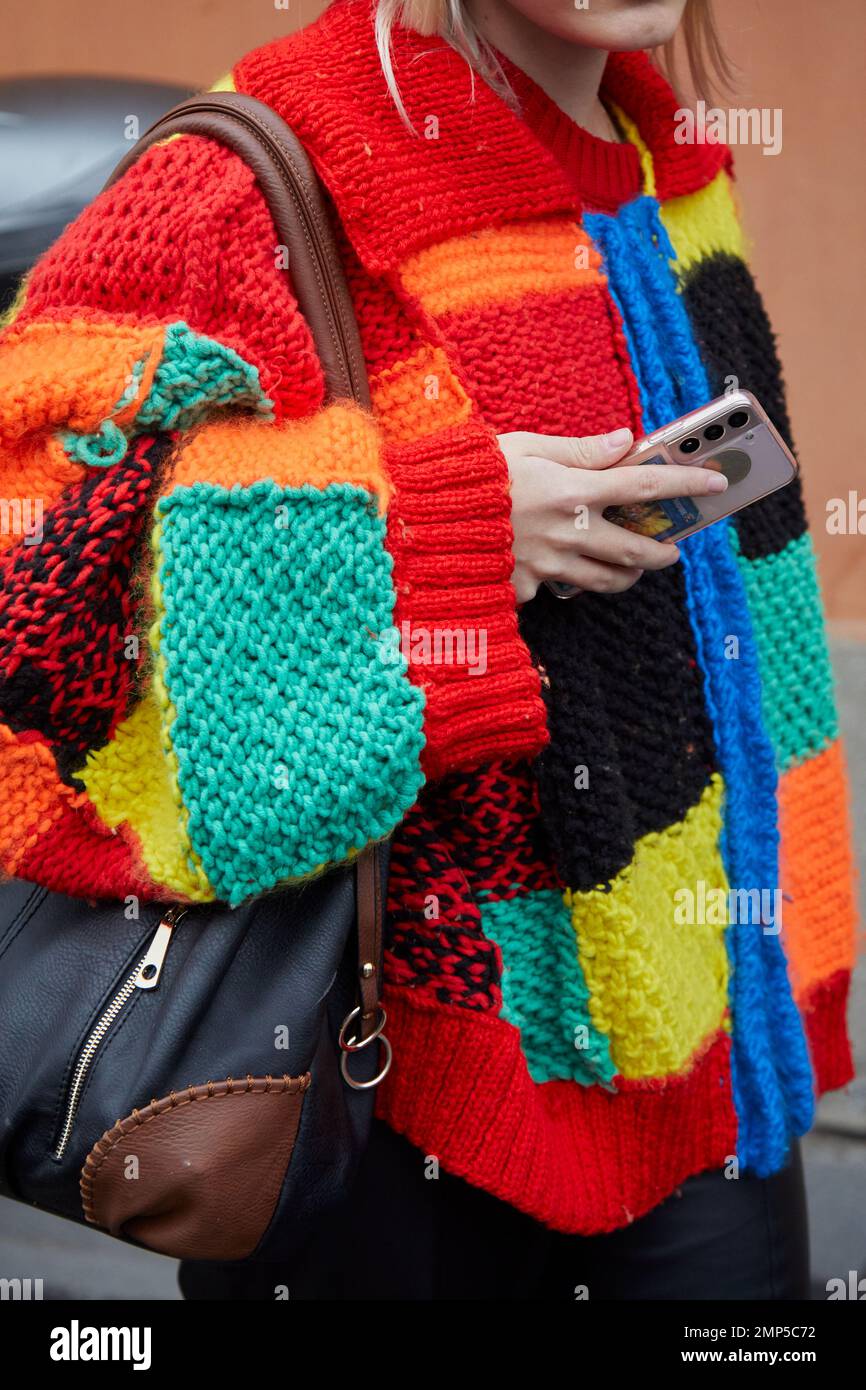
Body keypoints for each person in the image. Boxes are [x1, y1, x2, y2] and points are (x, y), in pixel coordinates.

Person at [0, 0, 855, 1300]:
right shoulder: (262, 159)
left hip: (712, 1050)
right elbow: (42, 553)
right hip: (402, 1095)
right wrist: (441, 520)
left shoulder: (662, 147)